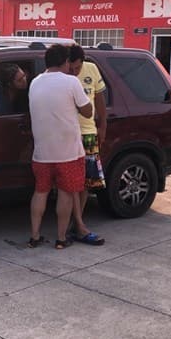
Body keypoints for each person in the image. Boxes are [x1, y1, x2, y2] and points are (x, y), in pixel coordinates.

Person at [27, 44, 93, 250]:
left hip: (41, 153)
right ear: (65, 62)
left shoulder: (35, 83)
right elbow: (88, 112)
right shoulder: (71, 82)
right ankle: (61, 239)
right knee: (65, 193)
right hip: (68, 153)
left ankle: (35, 236)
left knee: (40, 192)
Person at [66, 45, 106, 246]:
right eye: (71, 68)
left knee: (86, 183)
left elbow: (99, 100)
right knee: (72, 182)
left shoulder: (91, 69)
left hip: (89, 133)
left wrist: (103, 126)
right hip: (70, 135)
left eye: (77, 68)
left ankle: (77, 222)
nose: (74, 72)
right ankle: (79, 226)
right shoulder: (62, 76)